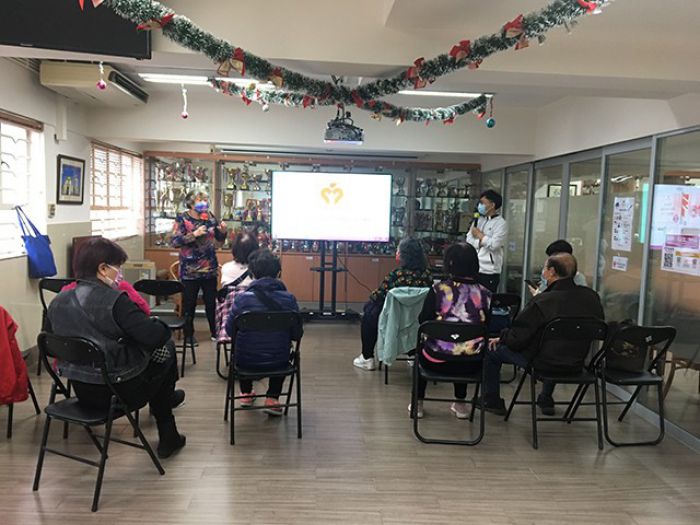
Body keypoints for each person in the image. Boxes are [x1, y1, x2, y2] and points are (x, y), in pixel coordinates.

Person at [46, 238, 186, 459]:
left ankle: (168, 419)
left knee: (157, 358)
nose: (119, 273)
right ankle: (167, 431)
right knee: (165, 351)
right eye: (117, 267)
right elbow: (154, 337)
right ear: (103, 268)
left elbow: (50, 347)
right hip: (118, 391)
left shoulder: (58, 301)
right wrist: (158, 324)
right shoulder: (116, 301)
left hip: (81, 388)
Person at [481, 253, 604, 416]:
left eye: (544, 268)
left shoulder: (543, 301)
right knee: (556, 345)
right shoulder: (591, 298)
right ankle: (546, 397)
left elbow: (517, 339)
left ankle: (491, 400)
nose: (543, 272)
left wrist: (503, 337)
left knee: (492, 351)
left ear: (552, 272)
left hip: (542, 364)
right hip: (577, 363)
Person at [413, 243, 491, 419]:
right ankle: (461, 404)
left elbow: (423, 321)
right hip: (472, 363)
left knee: (424, 347)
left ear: (449, 263)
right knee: (464, 344)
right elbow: (487, 326)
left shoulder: (437, 290)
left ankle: (418, 403)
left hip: (435, 359)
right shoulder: (486, 294)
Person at [226, 249, 302, 415]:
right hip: (279, 363)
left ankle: (246, 393)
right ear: (278, 273)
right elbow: (297, 334)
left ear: (252, 274)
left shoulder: (241, 300)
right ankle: (272, 398)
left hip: (245, 362)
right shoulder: (289, 299)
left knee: (243, 347)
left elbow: (230, 331)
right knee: (281, 348)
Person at [353, 238, 433, 371]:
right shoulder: (427, 276)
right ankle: (413, 355)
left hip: (394, 321)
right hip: (417, 321)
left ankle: (367, 358)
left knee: (369, 312)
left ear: (404, 255)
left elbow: (377, 296)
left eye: (398, 250)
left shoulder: (396, 275)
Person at [171, 190, 227, 342]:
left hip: (209, 269)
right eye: (200, 200)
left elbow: (219, 240)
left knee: (211, 303)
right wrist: (194, 234)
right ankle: (189, 335)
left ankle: (215, 332)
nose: (204, 203)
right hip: (190, 271)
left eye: (206, 200)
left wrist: (223, 232)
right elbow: (174, 241)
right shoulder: (182, 218)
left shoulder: (210, 217)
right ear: (190, 203)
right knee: (189, 304)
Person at [466, 189, 508, 293]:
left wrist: (480, 236)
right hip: (473, 268)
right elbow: (469, 239)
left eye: (483, 203)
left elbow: (494, 244)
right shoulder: (479, 220)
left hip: (489, 271)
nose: (479, 206)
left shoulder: (501, 224)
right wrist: (480, 243)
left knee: (486, 299)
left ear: (492, 205)